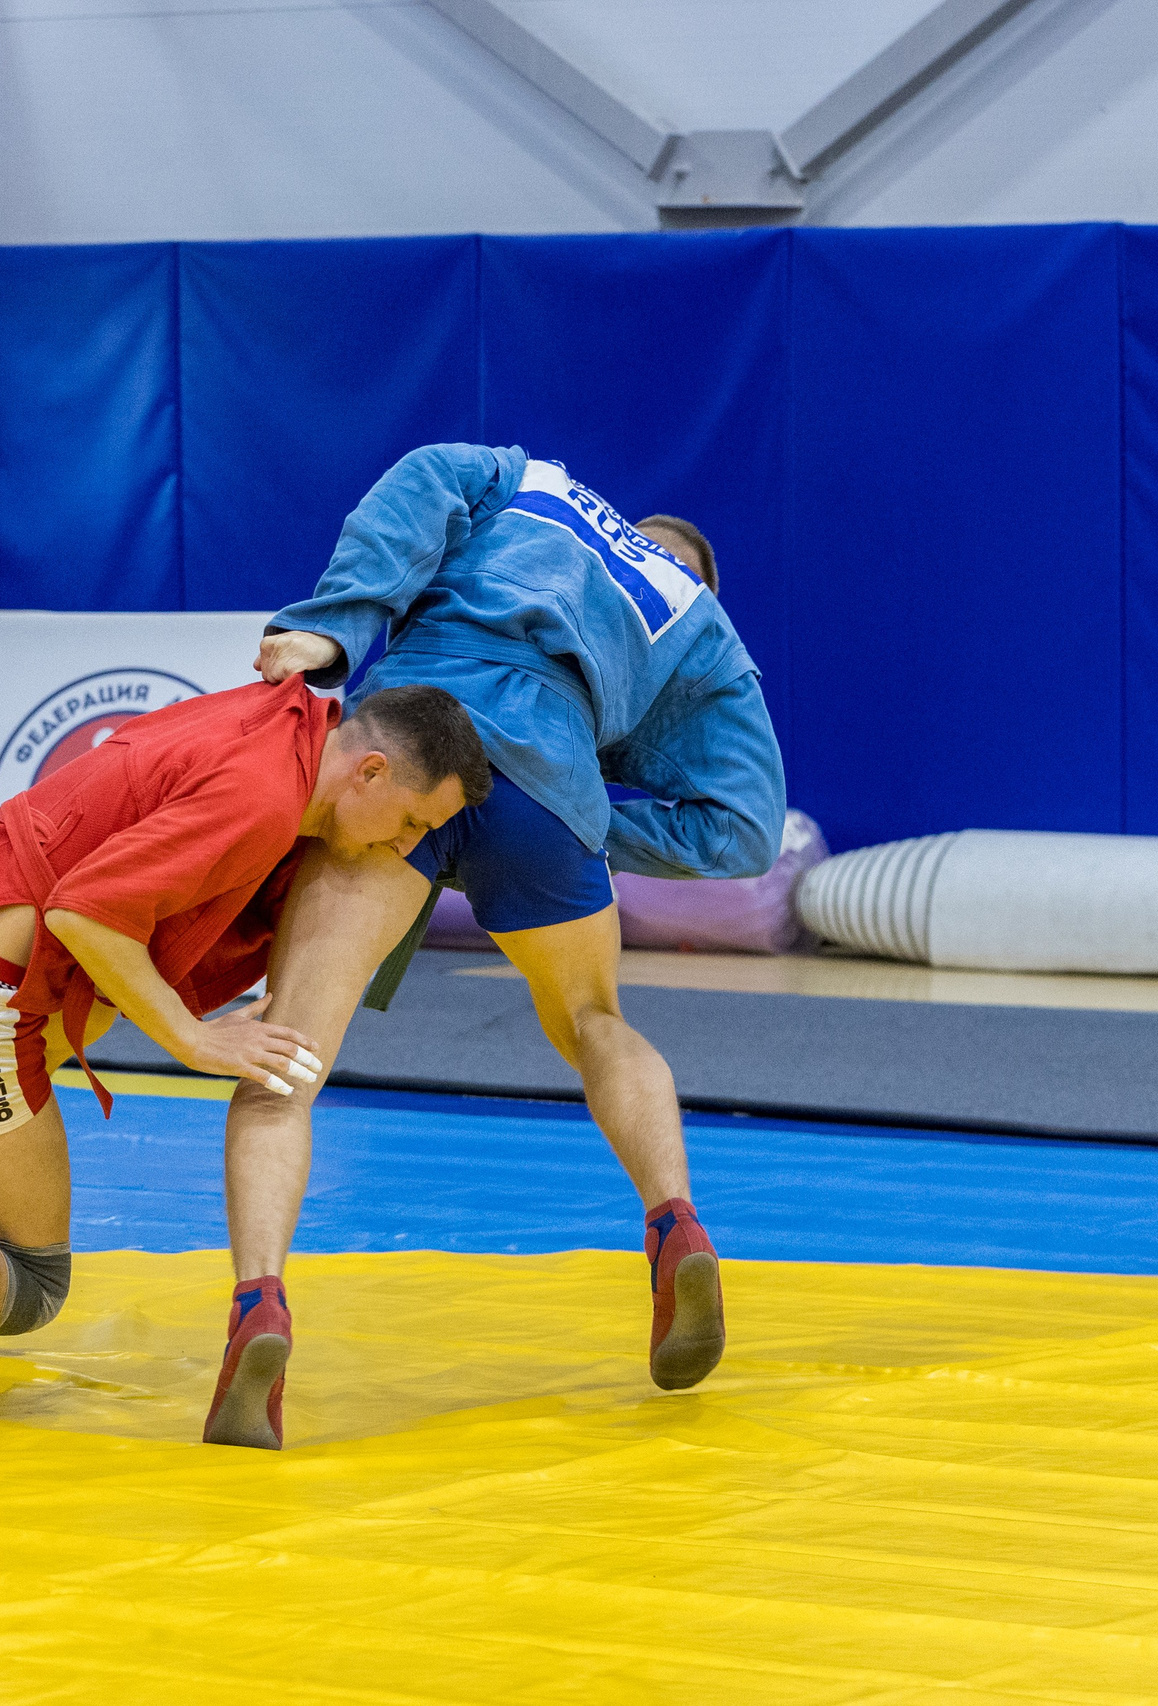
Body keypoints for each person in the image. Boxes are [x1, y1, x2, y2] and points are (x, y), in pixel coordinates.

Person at [204, 443, 786, 1449]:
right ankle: (674, 1221)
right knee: (596, 1020)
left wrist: (332, 629)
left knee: (289, 1050)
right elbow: (745, 825)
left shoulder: (531, 482)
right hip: (550, 789)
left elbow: (424, 473)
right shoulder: (697, 619)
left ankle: (259, 1301)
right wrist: (593, 821)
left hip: (411, 743)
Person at [0, 676, 489, 1441]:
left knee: (99, 997)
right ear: (369, 772)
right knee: (30, 1279)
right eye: (414, 821)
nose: (407, 847)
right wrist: (195, 1040)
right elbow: (84, 913)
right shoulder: (262, 801)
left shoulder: (285, 714)